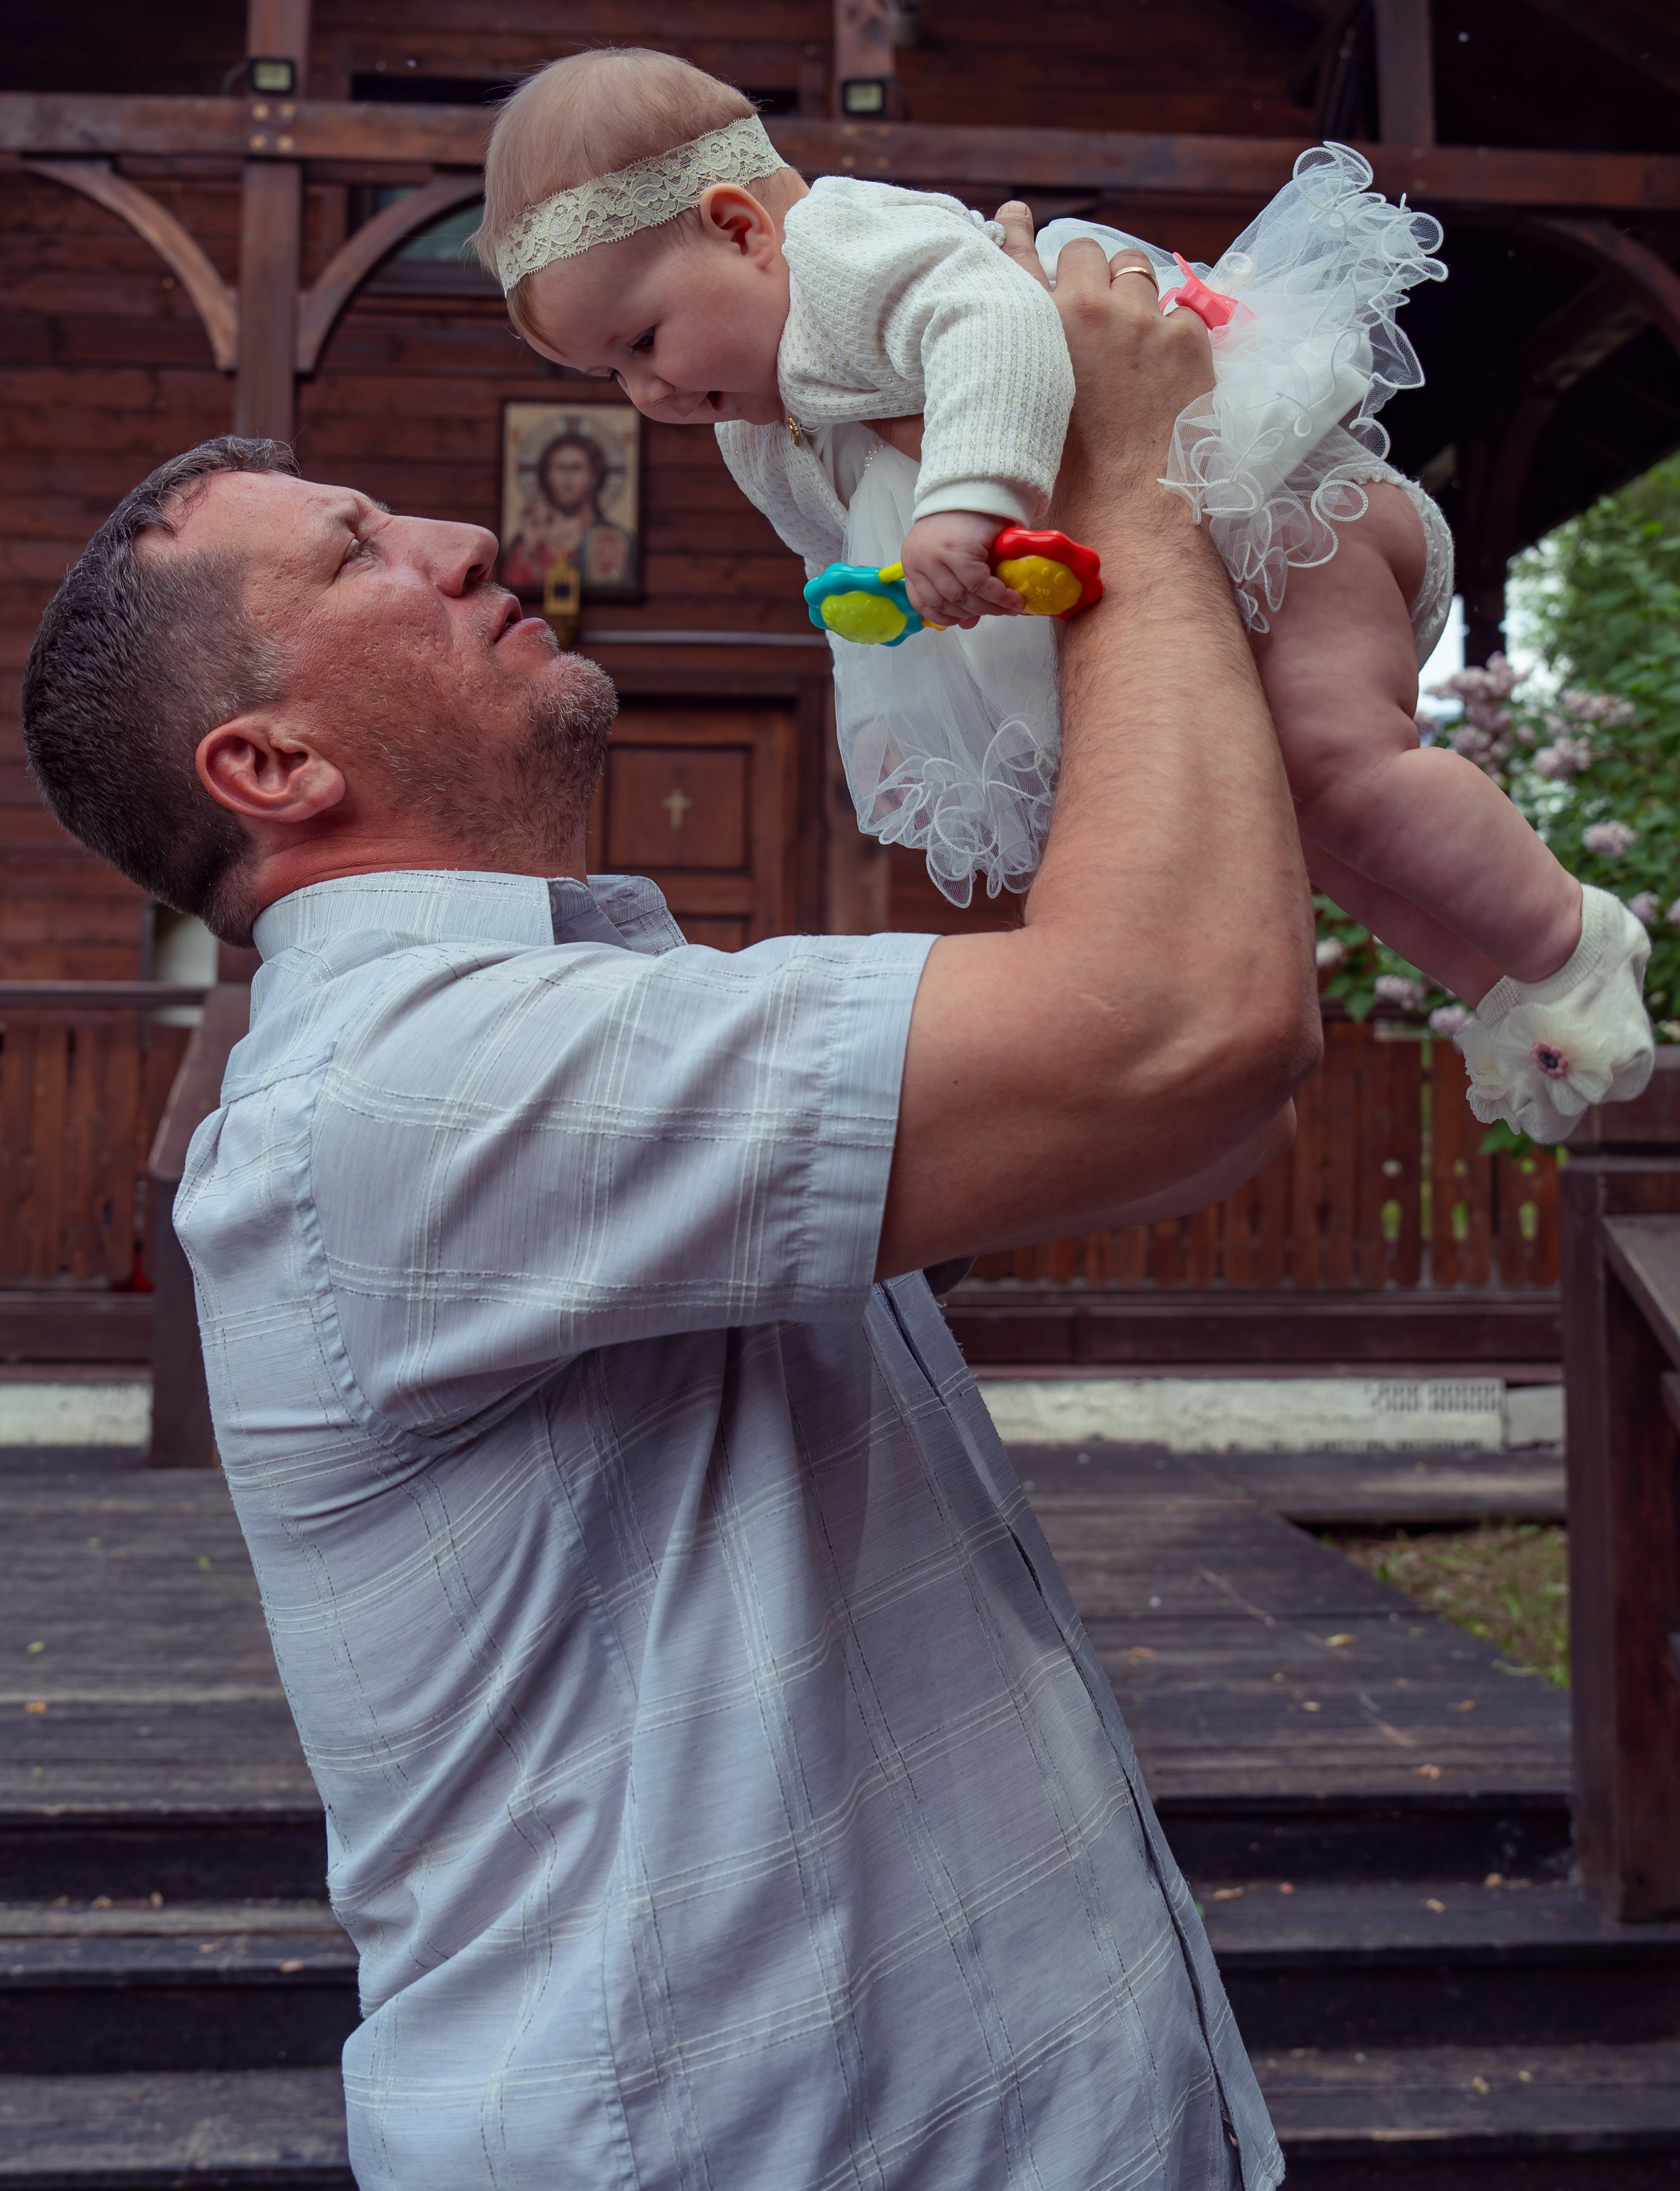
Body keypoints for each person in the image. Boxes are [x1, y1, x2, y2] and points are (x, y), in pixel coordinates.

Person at [23, 235, 1317, 2191]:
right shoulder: (411, 1082)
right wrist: (1123, 481)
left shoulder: (538, 1033)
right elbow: (1185, 1030)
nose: (464, 535)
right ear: (270, 765)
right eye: (360, 550)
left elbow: (1170, 1111)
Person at [484, 47, 1654, 1146]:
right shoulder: (756, 420)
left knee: (1340, 759)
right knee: (1303, 814)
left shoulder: (841, 247)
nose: (646, 391)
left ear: (739, 230)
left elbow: (988, 325)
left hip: (1281, 521)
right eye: (610, 374)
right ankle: (1515, 992)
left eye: (643, 340)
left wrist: (965, 505)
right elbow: (833, 548)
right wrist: (886, 620)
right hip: (1199, 565)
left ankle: (1570, 934)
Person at [501, 423, 633, 594]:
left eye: (576, 468)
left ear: (594, 476)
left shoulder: (614, 538)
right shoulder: (526, 540)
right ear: (547, 477)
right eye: (559, 468)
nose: (566, 477)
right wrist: (530, 551)